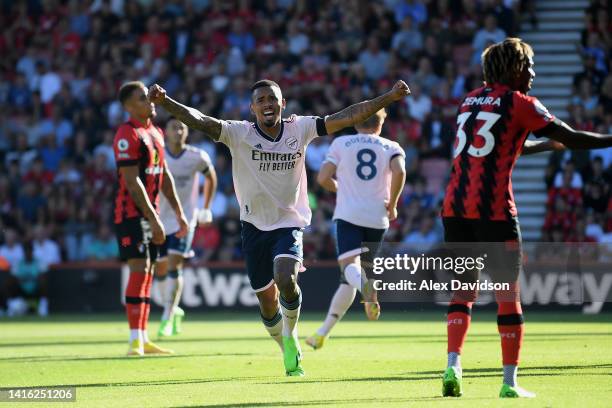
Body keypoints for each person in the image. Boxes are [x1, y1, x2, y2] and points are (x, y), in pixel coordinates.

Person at [149, 78, 410, 376]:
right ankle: (284, 340)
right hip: (253, 226)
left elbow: (349, 115)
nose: (267, 104)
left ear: (283, 104)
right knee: (267, 302)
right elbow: (200, 120)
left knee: (285, 276)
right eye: (260, 100)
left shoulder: (300, 128)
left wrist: (388, 97)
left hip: (289, 222)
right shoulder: (239, 133)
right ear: (252, 108)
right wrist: (166, 103)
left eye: (272, 99)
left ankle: (291, 332)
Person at [441, 37, 612, 399]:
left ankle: (452, 364)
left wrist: (539, 145)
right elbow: (572, 137)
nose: (533, 73)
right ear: (514, 67)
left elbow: (487, 146)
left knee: (463, 291)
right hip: (495, 212)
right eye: (529, 66)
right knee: (508, 295)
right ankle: (509, 382)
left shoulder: (469, 100)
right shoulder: (520, 103)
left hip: (454, 209)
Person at [305, 109, 406, 350]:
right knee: (350, 278)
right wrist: (392, 205)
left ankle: (367, 289)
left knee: (350, 269)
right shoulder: (391, 146)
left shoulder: (341, 143)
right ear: (381, 124)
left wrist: (342, 188)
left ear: (355, 122)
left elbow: (322, 179)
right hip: (377, 218)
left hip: (349, 214)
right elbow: (400, 171)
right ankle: (322, 333)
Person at [113, 81, 189, 357]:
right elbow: (133, 183)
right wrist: (155, 219)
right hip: (131, 214)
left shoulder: (155, 132)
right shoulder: (127, 134)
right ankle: (135, 340)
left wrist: (179, 213)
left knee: (146, 273)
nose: (151, 102)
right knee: (138, 270)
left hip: (149, 214)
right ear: (129, 106)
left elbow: (164, 177)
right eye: (144, 98)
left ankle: (142, 338)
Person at [155, 118, 217, 338]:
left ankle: (167, 316)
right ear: (166, 132)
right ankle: (172, 309)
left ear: (187, 133)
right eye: (174, 127)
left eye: (182, 127)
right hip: (160, 218)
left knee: (174, 264)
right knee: (159, 269)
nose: (178, 130)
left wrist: (206, 207)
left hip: (185, 219)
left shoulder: (196, 156)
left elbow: (211, 177)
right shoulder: (158, 154)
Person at [5, 241, 48, 317]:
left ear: (32, 251)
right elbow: (14, 279)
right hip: (21, 289)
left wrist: (26, 279)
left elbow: (42, 277)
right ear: (23, 252)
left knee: (43, 283)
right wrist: (26, 279)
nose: (28, 253)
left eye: (29, 251)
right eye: (26, 251)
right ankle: (11, 307)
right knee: (9, 283)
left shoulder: (39, 262)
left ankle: (43, 307)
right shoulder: (18, 263)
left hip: (35, 289)